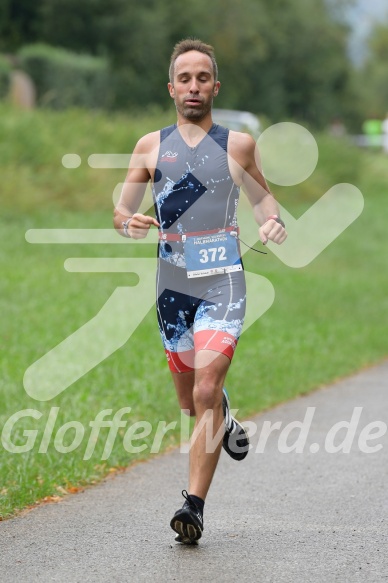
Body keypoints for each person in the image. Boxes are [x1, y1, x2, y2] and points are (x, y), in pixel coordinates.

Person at [113, 38, 287, 544]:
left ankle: (193, 506)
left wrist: (271, 221)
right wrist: (131, 223)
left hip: (222, 282)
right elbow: (120, 213)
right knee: (193, 402)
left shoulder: (238, 145)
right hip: (172, 288)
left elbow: (262, 198)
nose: (194, 87)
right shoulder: (150, 146)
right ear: (171, 88)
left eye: (202, 78)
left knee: (205, 388)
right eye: (184, 79)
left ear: (216, 85)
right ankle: (224, 413)